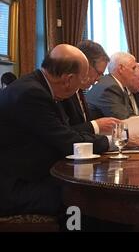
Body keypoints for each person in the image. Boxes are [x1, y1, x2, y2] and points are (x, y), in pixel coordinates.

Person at [0, 44, 109, 216]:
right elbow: (68, 141)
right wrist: (110, 142)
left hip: (32, 174)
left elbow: (66, 132)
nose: (82, 87)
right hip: (15, 187)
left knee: (92, 189)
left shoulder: (39, 86)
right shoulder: (31, 94)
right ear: (68, 79)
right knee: (86, 198)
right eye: (82, 82)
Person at [61, 40, 121, 135]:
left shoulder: (79, 91)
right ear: (85, 65)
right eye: (98, 73)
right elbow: (64, 133)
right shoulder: (63, 92)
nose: (98, 79)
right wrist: (96, 125)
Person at [86, 52, 137, 119]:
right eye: (133, 68)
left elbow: (130, 115)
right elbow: (123, 120)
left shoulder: (117, 85)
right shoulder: (110, 87)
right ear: (121, 68)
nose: (135, 73)